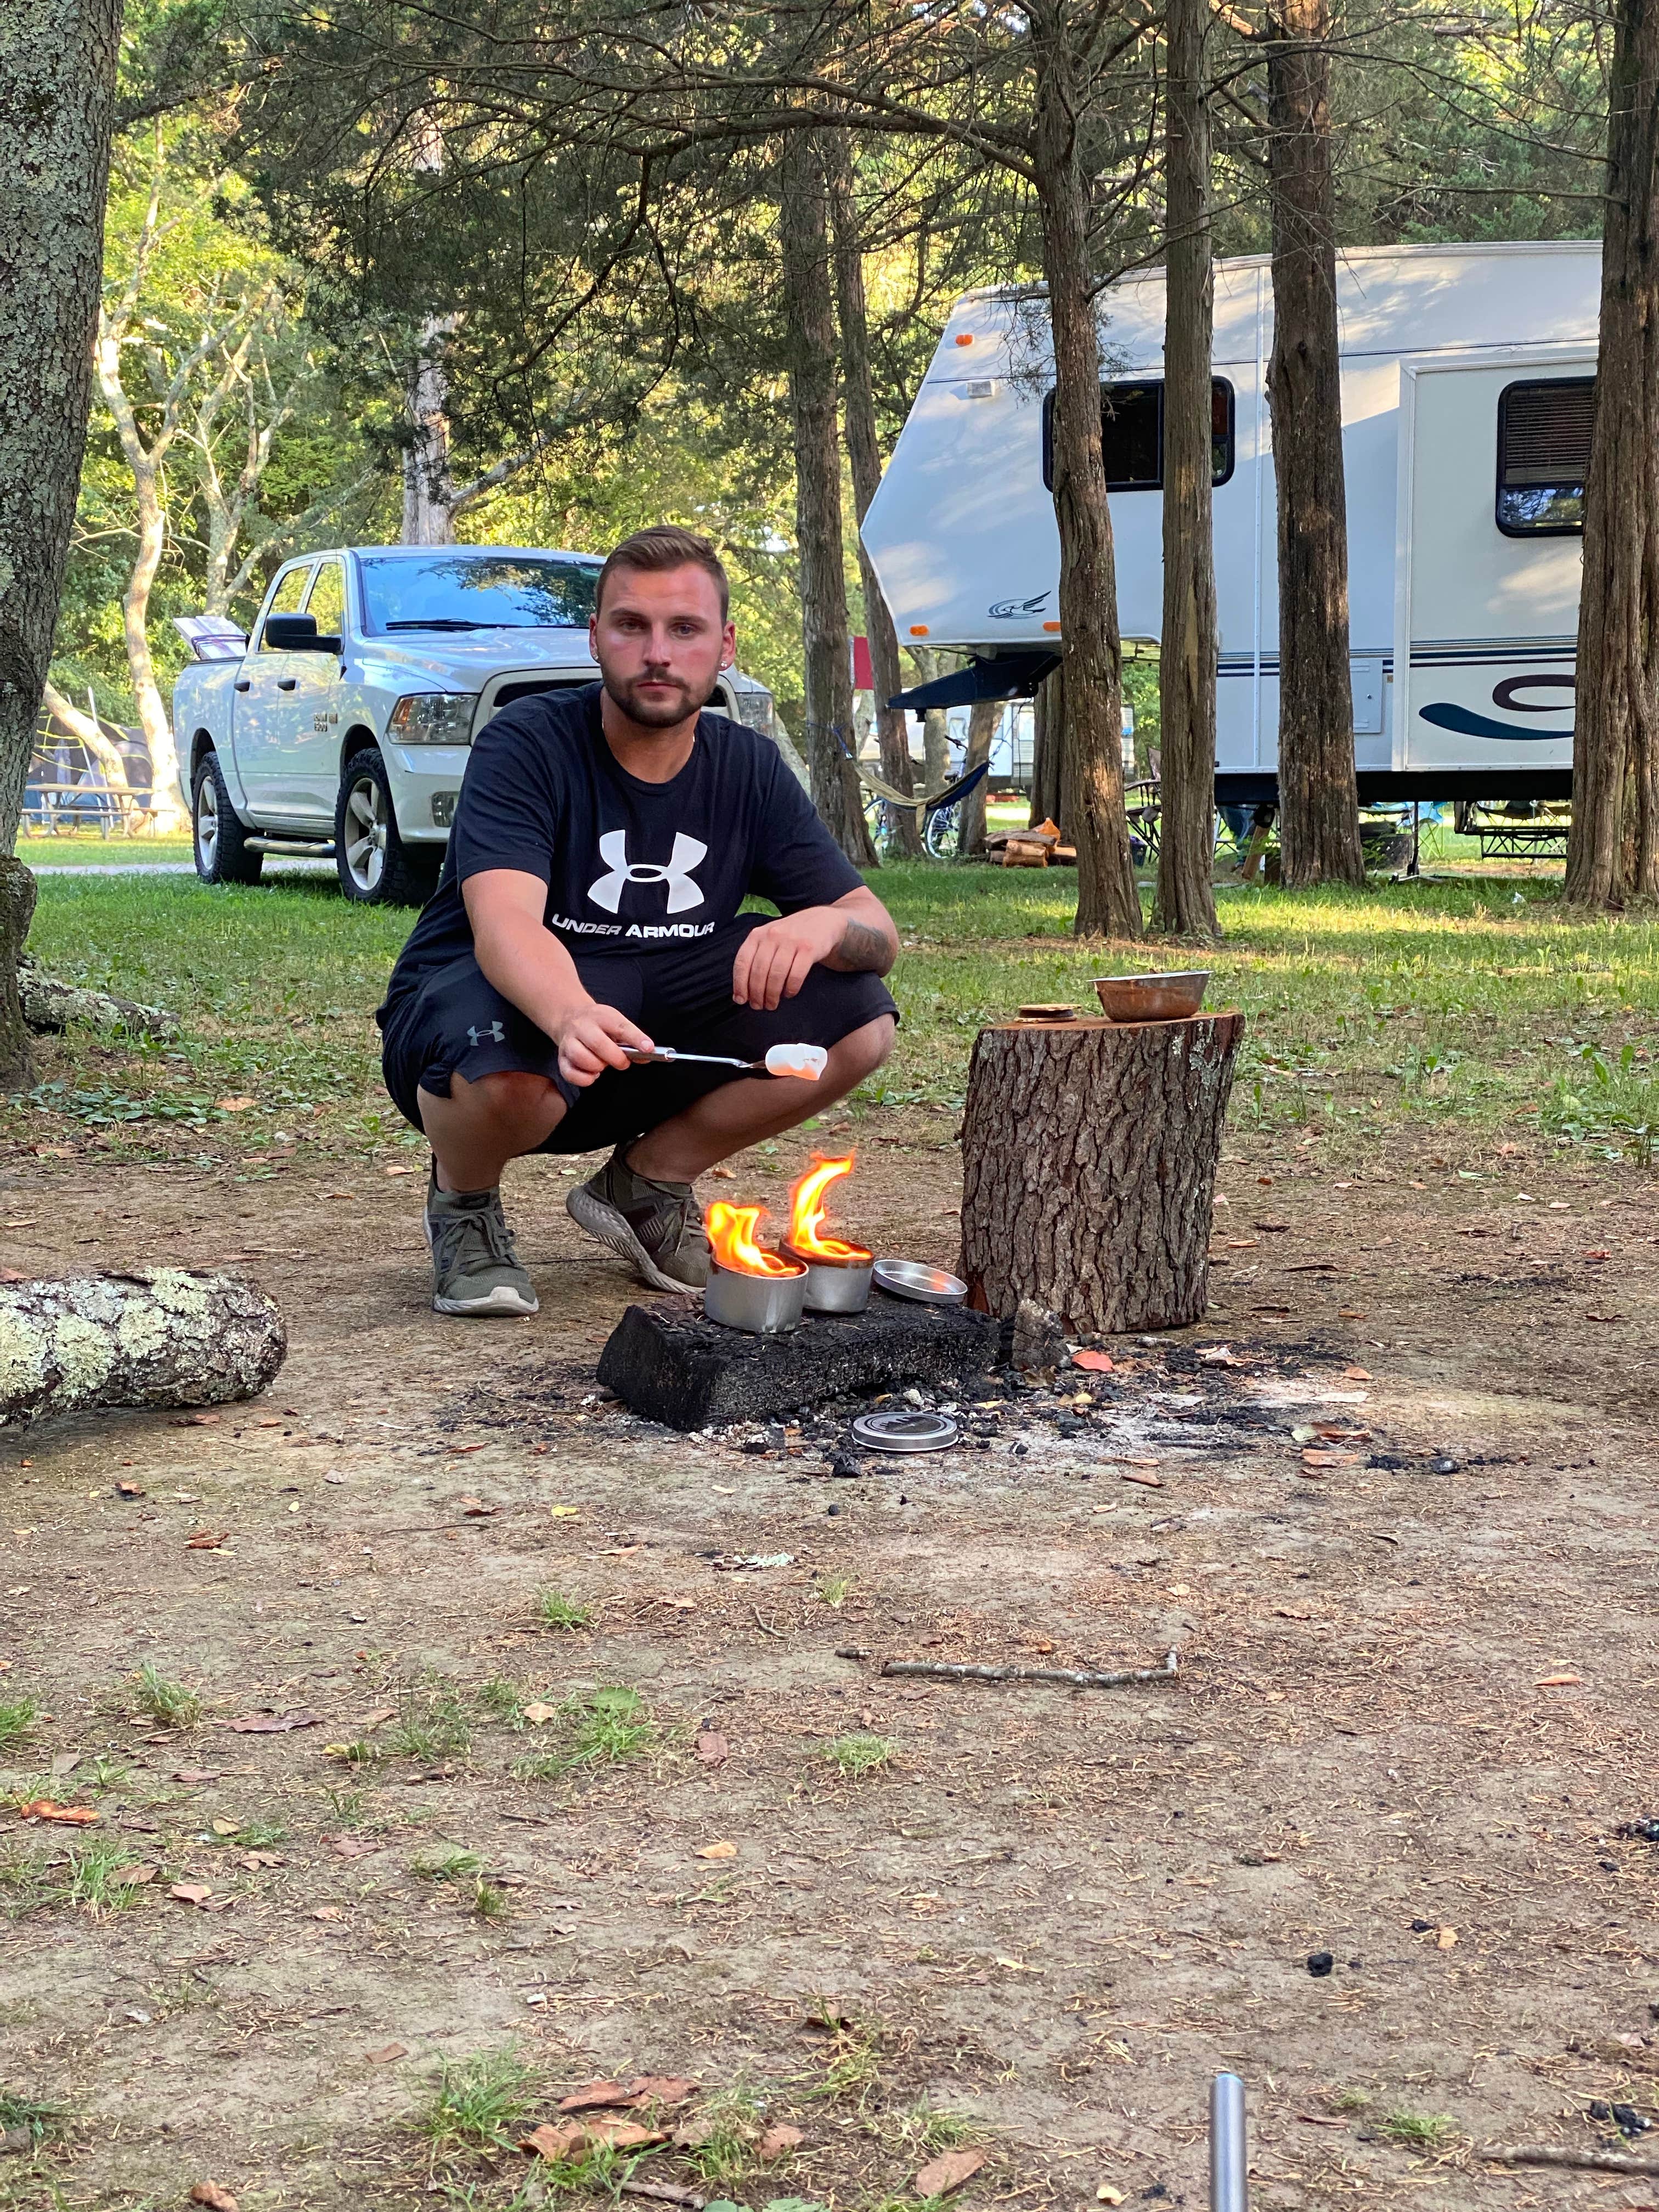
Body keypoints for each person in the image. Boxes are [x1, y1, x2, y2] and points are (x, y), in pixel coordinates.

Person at [377, 525, 899, 1318]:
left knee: (859, 1021)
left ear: (724, 647)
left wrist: (823, 927)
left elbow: (876, 932)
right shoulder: (527, 742)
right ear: (596, 638)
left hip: (656, 1018)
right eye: (632, 626)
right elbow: (505, 924)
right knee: (510, 1073)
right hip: (501, 1006)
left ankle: (647, 1182)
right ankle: (466, 1203)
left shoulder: (748, 767)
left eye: (685, 629)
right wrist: (571, 1014)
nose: (658, 653)